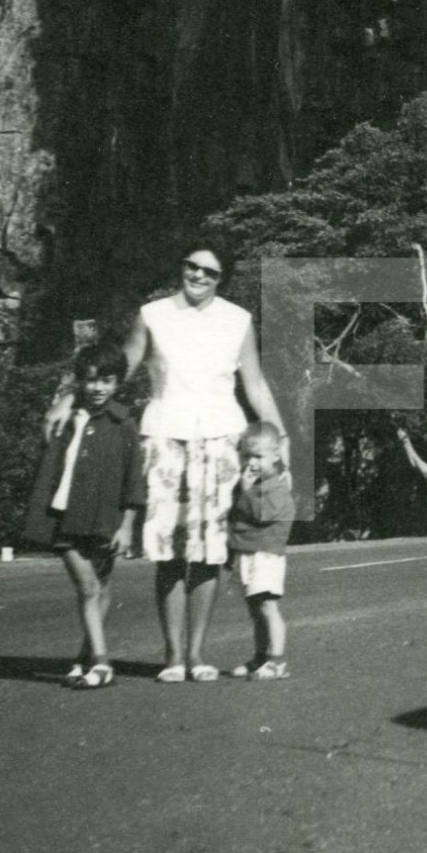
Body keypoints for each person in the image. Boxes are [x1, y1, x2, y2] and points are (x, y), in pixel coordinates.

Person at [45, 240, 289, 683]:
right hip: (163, 439)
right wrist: (68, 397)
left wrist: (278, 434)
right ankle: (174, 656)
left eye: (209, 272)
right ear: (182, 268)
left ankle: (198, 656)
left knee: (211, 554)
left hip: (221, 441)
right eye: (191, 267)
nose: (197, 276)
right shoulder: (153, 314)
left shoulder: (238, 320)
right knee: (171, 555)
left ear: (221, 279)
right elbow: (119, 367)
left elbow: (254, 384)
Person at [24, 343, 146, 689]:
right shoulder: (64, 418)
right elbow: (47, 465)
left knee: (102, 588)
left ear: (118, 382)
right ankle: (103, 664)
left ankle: (85, 659)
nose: (98, 388)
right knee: (89, 587)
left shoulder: (123, 423)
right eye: (90, 381)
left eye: (106, 380)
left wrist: (126, 527)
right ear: (80, 382)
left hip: (105, 522)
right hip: (64, 520)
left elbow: (134, 481)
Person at [228, 421, 295, 680]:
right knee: (256, 611)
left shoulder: (275, 486)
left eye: (258, 456)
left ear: (275, 456)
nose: (251, 463)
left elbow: (260, 513)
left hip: (266, 555)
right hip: (249, 552)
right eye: (246, 455)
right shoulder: (253, 483)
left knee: (268, 607)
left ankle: (277, 661)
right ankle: (260, 657)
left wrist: (244, 492)